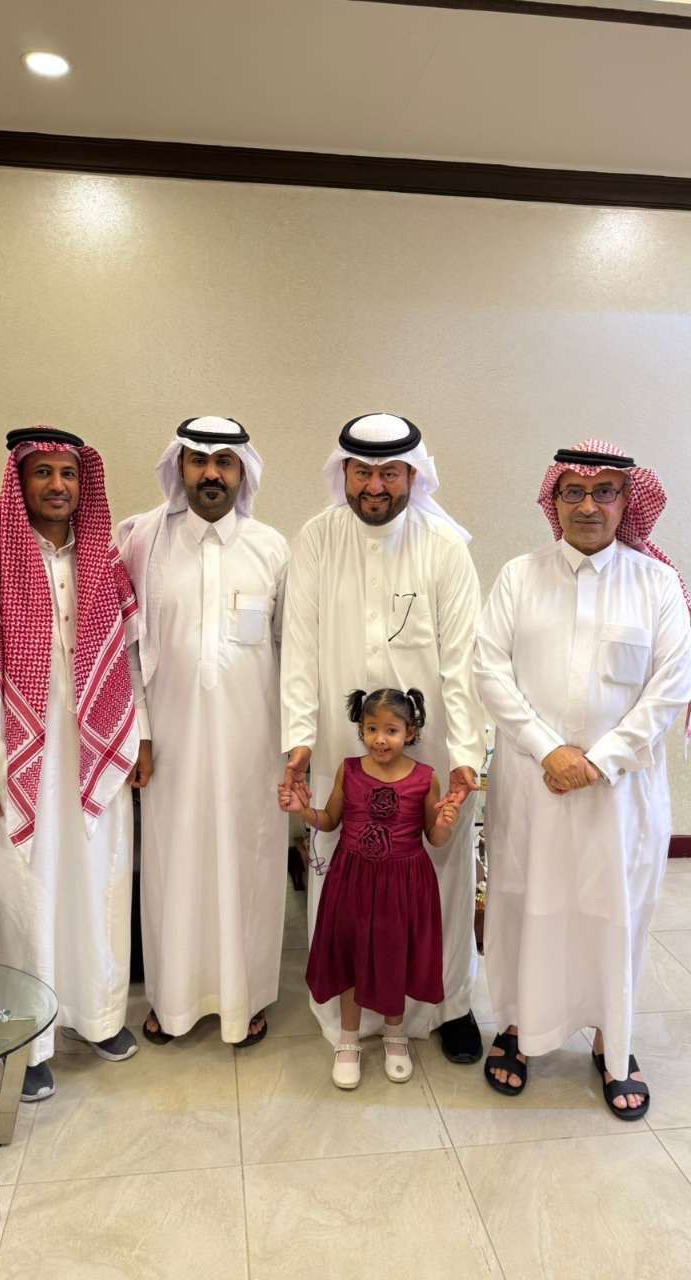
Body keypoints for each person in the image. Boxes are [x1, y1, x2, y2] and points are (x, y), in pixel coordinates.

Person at [473, 439, 691, 1118]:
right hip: (532, 786)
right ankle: (516, 1027)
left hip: (619, 795)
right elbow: (488, 670)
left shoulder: (656, 584)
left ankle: (610, 1043)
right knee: (524, 906)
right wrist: (548, 750)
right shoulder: (519, 576)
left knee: (614, 914)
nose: (589, 505)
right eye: (574, 491)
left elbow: (671, 686)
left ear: (627, 501)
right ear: (554, 500)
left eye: (604, 492)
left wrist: (599, 760)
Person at [281, 412, 486, 1063]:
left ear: (412, 475)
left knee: (440, 874)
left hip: (434, 748)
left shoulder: (444, 546)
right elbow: (299, 649)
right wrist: (299, 739)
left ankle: (449, 1004)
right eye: (362, 472)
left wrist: (466, 756)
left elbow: (464, 660)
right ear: (342, 471)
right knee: (345, 873)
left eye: (389, 473)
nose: (374, 486)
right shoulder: (317, 539)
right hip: (340, 749)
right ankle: (352, 1013)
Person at [0, 426, 151, 1102]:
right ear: (20, 481)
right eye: (43, 472)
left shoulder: (103, 558)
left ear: (84, 484)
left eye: (68, 474)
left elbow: (130, 658)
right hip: (10, 757)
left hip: (94, 748)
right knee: (26, 894)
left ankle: (97, 1016)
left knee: (97, 880)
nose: (57, 485)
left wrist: (140, 738)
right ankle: (30, 1040)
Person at [117, 417, 289, 1048]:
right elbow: (126, 651)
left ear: (243, 472)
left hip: (253, 745)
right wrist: (139, 732)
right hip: (171, 743)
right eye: (198, 460)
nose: (211, 473)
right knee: (173, 865)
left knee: (249, 864)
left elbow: (290, 652)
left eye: (224, 461)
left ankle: (246, 1001)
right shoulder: (143, 542)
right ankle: (171, 1001)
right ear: (179, 468)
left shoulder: (272, 548)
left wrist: (293, 744)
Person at [279, 687, 459, 1088]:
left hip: (403, 887)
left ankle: (395, 1034)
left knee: (395, 957)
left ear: (411, 732)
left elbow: (435, 839)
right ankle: (348, 1039)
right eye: (372, 728)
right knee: (351, 957)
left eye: (391, 730)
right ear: (361, 730)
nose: (380, 738)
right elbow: (329, 820)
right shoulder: (349, 771)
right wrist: (302, 811)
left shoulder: (426, 778)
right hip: (352, 881)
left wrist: (446, 824)